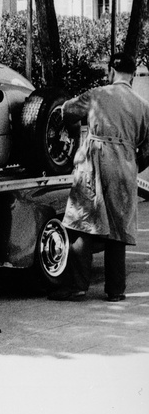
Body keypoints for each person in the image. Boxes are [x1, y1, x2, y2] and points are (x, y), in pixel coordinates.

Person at [50, 52, 149, 301]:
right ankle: (115, 291)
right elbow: (148, 149)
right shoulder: (143, 105)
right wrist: (133, 164)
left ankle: (77, 286)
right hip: (125, 166)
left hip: (93, 162)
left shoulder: (96, 94)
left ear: (111, 72)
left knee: (81, 222)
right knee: (117, 230)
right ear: (133, 76)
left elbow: (66, 111)